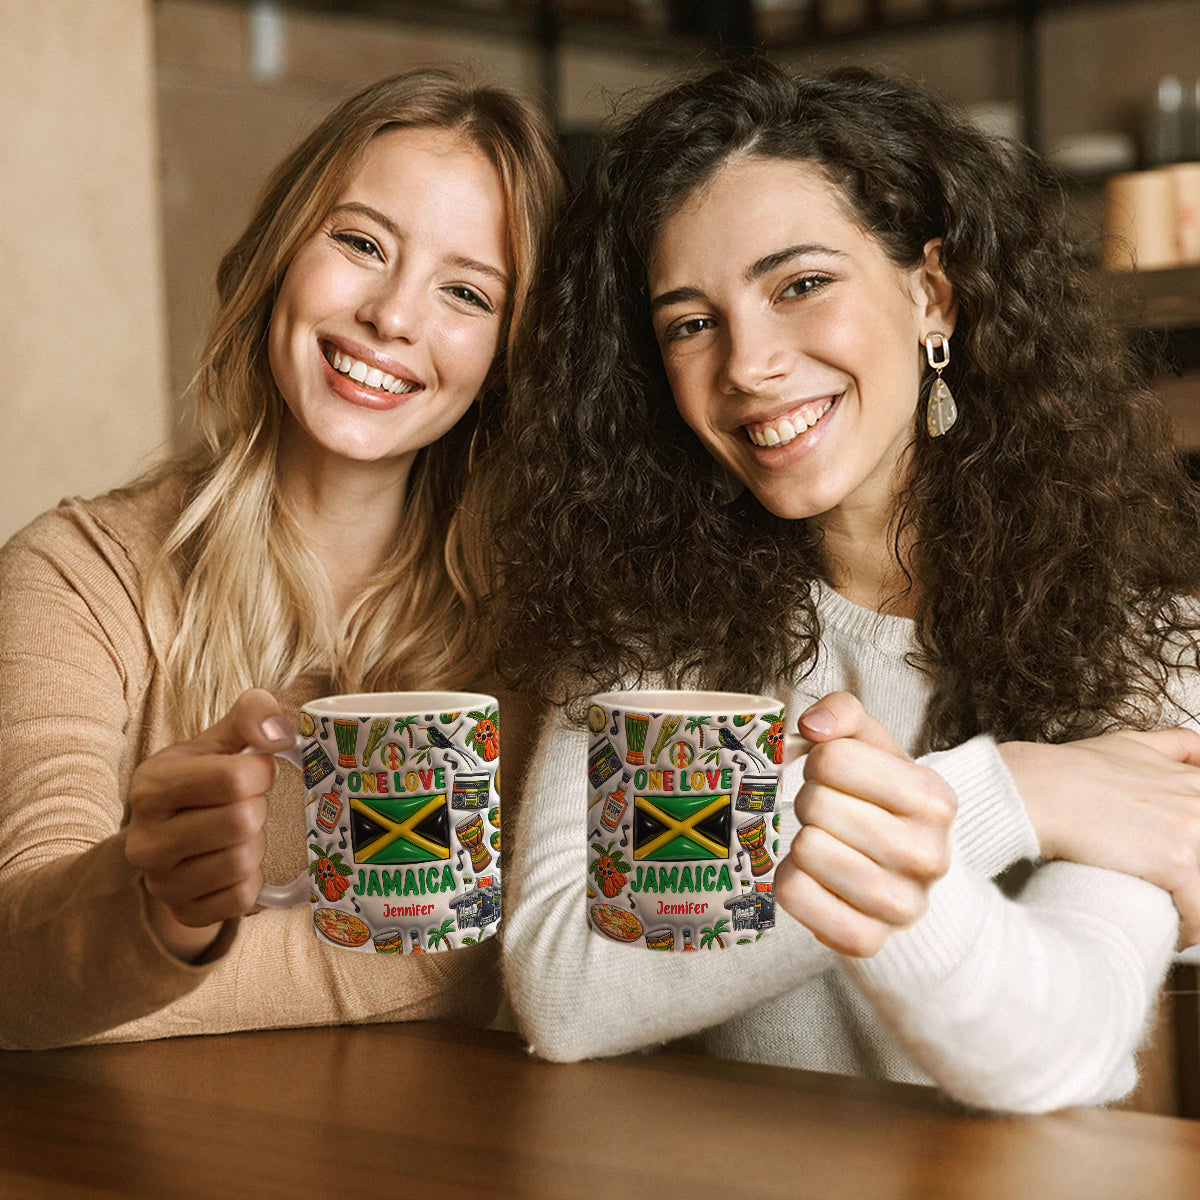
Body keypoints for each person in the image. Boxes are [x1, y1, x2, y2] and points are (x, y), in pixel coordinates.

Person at [490, 60, 1200, 1113]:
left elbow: (1058, 1045)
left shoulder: (1147, 637)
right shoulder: (647, 635)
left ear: (932, 294)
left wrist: (909, 814)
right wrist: (1007, 794)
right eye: (690, 322)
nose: (748, 363)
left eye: (800, 285)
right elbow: (563, 990)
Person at [0, 68, 564, 1049]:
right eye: (360, 243)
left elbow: (497, 947)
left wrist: (146, 975)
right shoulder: (74, 576)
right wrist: (160, 907)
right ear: (279, 257)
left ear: (510, 354)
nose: (393, 315)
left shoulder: (541, 626)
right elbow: (19, 968)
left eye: (466, 292)